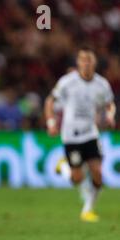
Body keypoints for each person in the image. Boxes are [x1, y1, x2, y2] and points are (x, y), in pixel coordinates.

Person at [44, 47, 116, 222]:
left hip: (91, 134)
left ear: (94, 63)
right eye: (83, 60)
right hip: (71, 136)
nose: (86, 64)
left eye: (89, 60)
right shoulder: (67, 82)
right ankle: (65, 167)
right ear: (78, 63)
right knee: (77, 178)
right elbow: (50, 101)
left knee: (97, 172)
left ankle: (88, 209)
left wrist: (110, 115)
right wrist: (51, 123)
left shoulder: (102, 84)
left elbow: (110, 104)